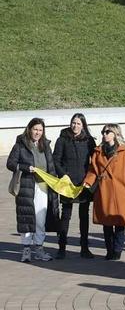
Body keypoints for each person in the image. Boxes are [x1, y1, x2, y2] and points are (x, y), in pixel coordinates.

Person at [7, 118, 60, 262]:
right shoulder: (20, 145)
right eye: (35, 129)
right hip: (26, 186)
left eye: (40, 130)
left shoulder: (46, 146)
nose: (38, 132)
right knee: (26, 218)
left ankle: (39, 249)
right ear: (29, 129)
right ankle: (26, 250)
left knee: (40, 219)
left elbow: (51, 166)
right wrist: (25, 168)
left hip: (43, 187)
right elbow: (10, 163)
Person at [84, 124, 125, 261]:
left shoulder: (124, 151)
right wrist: (88, 182)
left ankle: (117, 250)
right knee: (106, 223)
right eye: (103, 132)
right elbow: (93, 169)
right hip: (104, 191)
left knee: (120, 223)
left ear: (115, 134)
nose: (104, 134)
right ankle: (109, 250)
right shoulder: (98, 151)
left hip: (121, 191)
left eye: (108, 132)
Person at [52, 112, 96, 258]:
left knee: (84, 215)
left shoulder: (89, 140)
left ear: (83, 125)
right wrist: (64, 175)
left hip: (84, 183)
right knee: (66, 215)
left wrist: (89, 179)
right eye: (73, 123)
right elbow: (56, 160)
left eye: (78, 123)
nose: (75, 126)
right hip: (67, 183)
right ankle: (62, 247)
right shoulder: (62, 139)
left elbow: (95, 161)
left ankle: (84, 247)